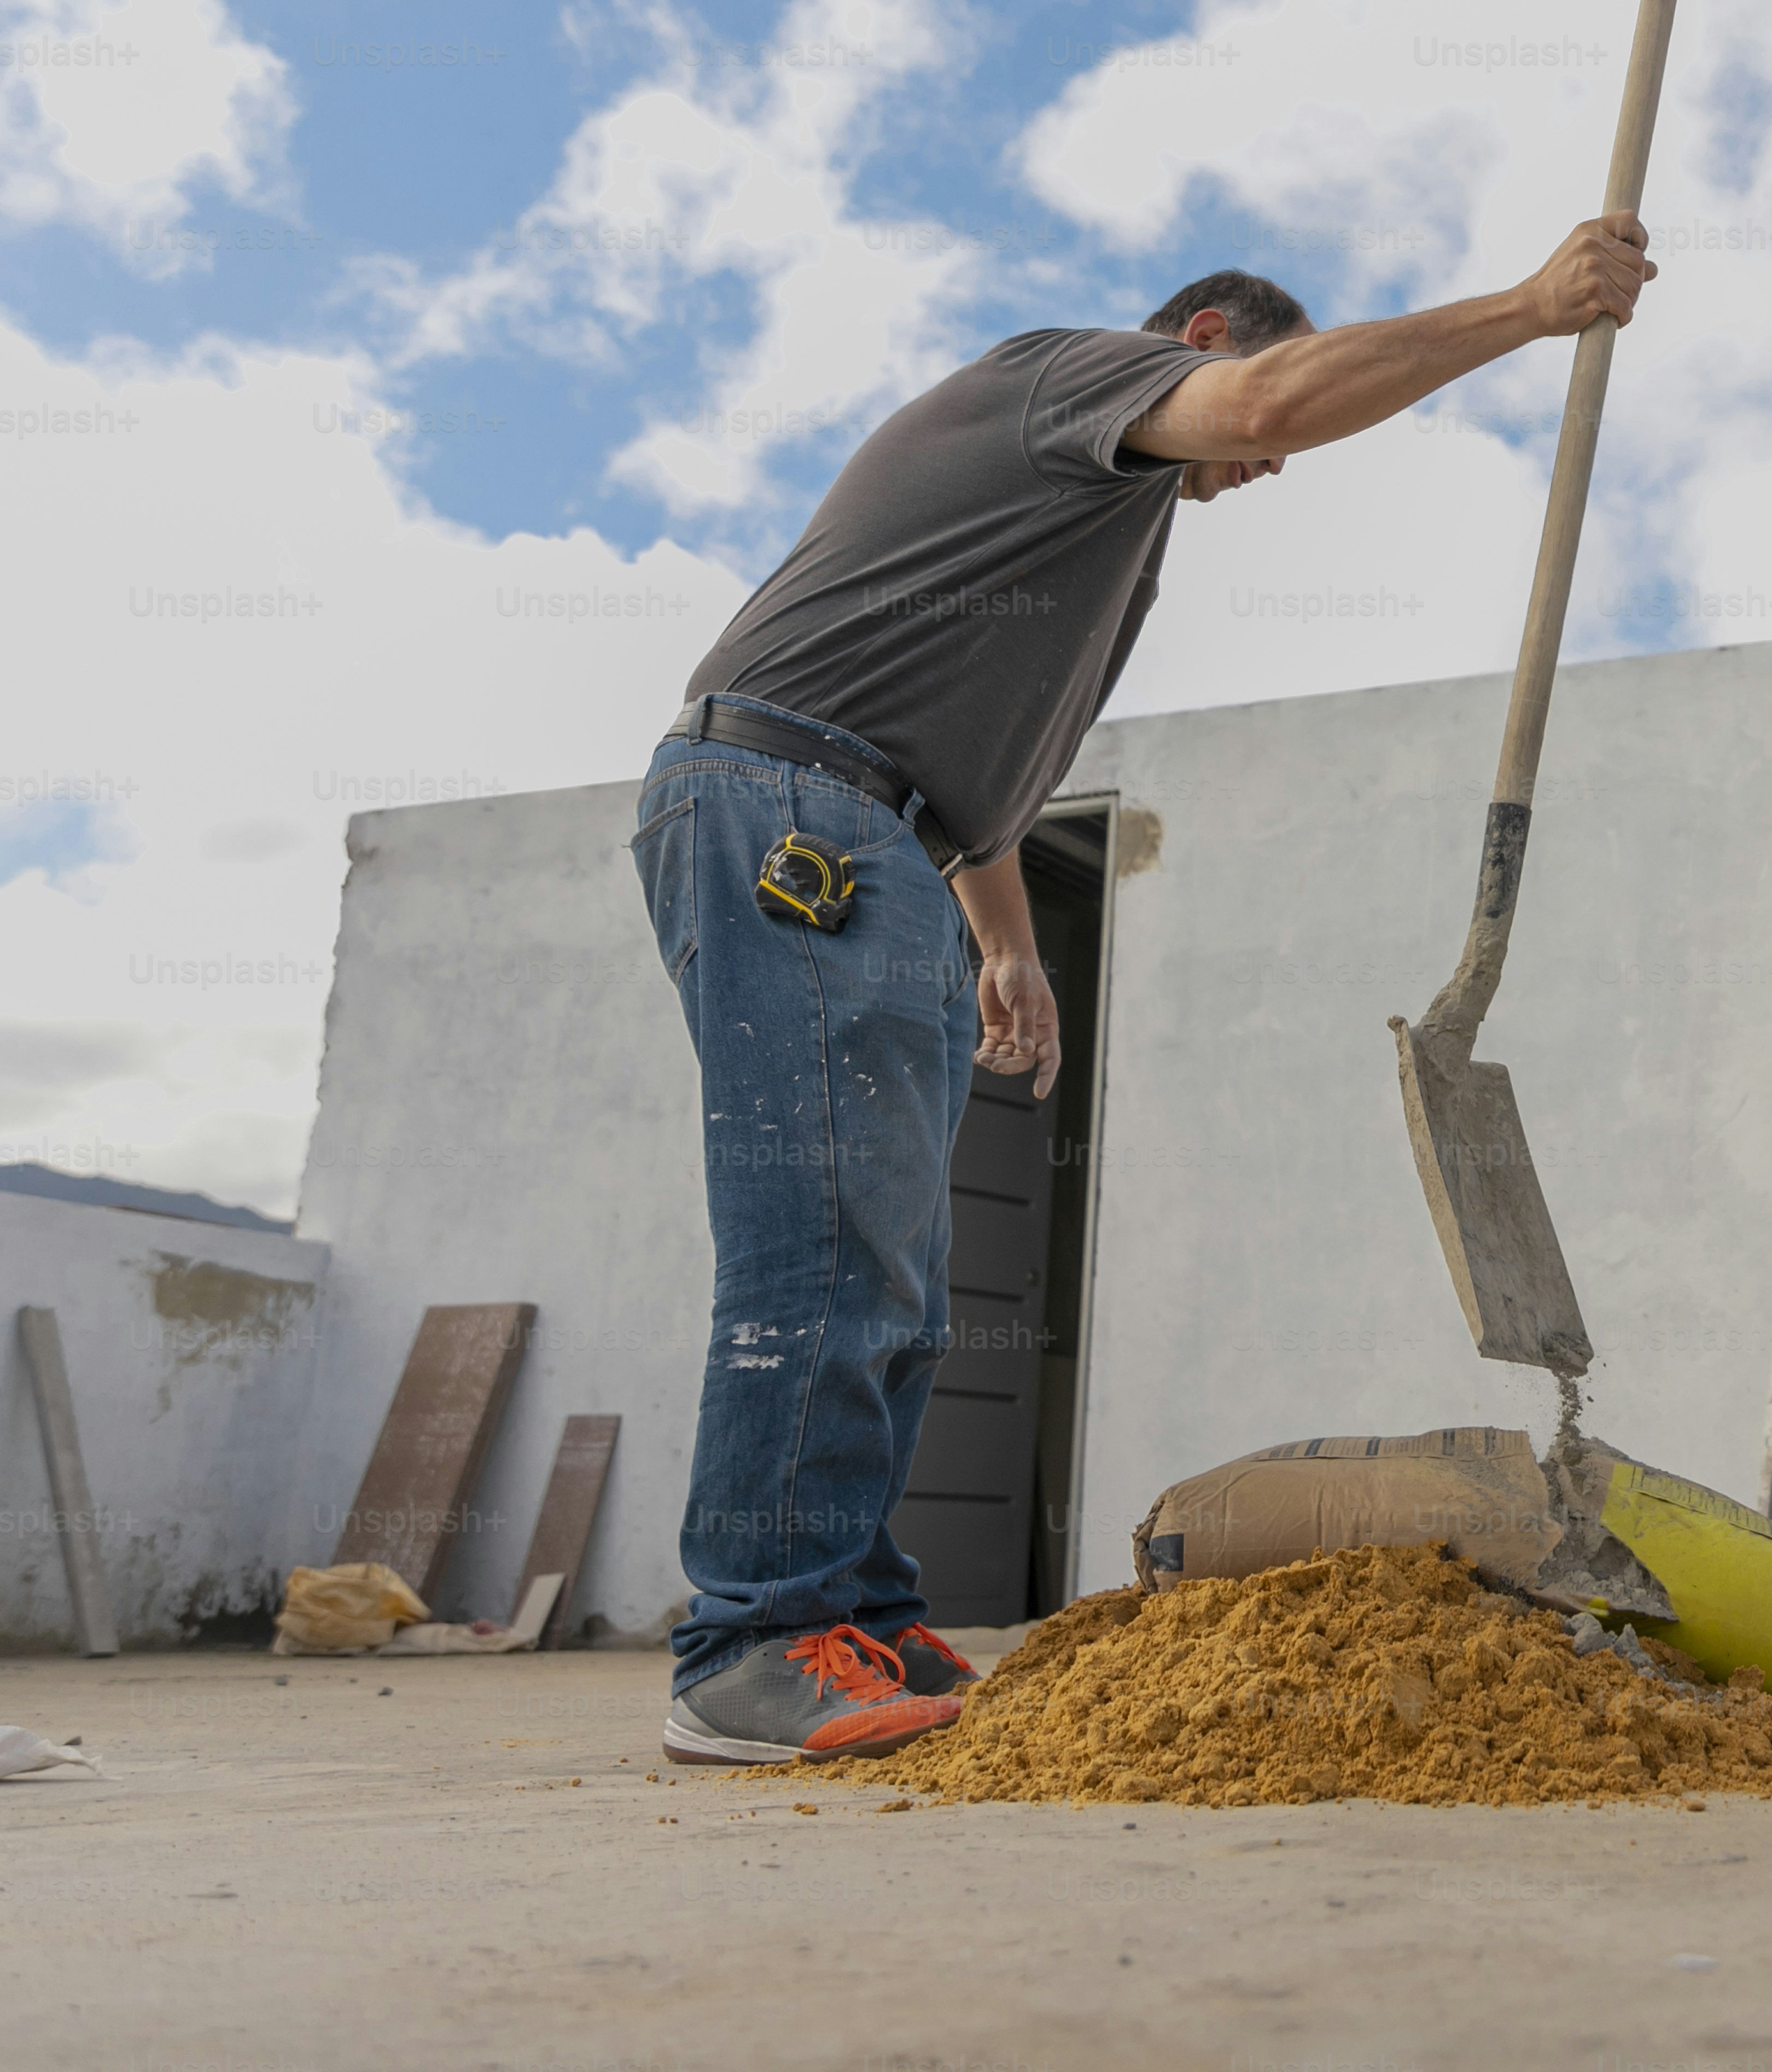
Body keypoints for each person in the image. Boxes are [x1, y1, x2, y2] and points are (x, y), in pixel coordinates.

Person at [634, 219, 1657, 1763]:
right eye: (1254, 400)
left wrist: (1007, 939)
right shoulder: (1069, 380)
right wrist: (1529, 307)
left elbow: (963, 765)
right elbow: (1262, 409)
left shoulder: (1091, 533)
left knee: (901, 1252)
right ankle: (747, 1647)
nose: (1262, 472)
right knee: (829, 1231)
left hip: (875, 826)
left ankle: (850, 1607)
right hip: (788, 803)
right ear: (1196, 340)